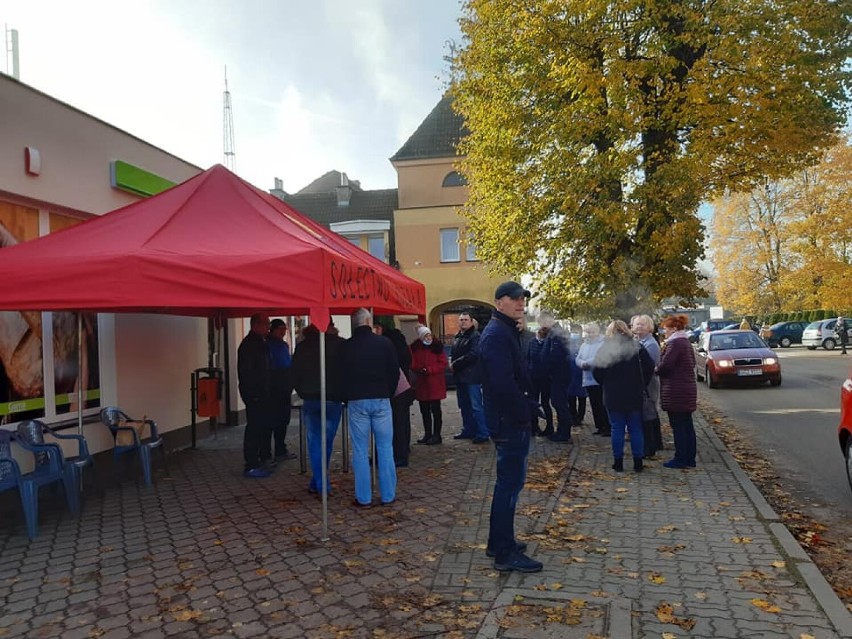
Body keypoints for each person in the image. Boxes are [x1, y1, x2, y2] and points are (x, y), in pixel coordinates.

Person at [480, 281, 542, 573]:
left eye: (523, 299)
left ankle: (499, 542)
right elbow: (502, 383)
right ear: (499, 302)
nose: (521, 303)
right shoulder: (496, 334)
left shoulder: (505, 330)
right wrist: (524, 411)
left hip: (508, 418)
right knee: (509, 486)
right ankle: (504, 553)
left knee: (508, 485)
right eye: (515, 299)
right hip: (508, 421)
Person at [339, 308, 399, 507]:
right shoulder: (384, 343)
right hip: (381, 398)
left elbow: (341, 375)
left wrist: (347, 396)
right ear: (368, 321)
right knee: (385, 448)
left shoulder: (346, 347)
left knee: (359, 450)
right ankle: (388, 494)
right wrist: (387, 392)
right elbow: (394, 372)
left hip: (357, 401)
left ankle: (363, 497)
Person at [290, 322, 346, 495]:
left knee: (315, 442)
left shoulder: (302, 347)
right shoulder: (340, 345)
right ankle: (321, 483)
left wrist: (302, 391)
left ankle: (319, 482)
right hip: (333, 399)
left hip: (311, 399)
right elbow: (346, 371)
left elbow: (294, 373)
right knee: (326, 442)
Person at [593, 320, 655, 472]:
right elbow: (650, 366)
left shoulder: (605, 348)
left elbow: (596, 371)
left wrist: (605, 383)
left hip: (613, 394)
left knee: (617, 427)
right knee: (635, 428)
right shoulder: (636, 346)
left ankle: (618, 461)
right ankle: (638, 462)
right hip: (634, 393)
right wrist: (642, 383)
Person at [656, 314, 698, 468]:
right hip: (686, 389)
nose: (664, 332)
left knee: (679, 426)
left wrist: (656, 369)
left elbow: (666, 366)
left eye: (666, 329)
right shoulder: (685, 342)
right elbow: (692, 363)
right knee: (687, 425)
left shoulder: (675, 344)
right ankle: (690, 458)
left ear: (674, 329)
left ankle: (680, 458)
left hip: (675, 390)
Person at [237, 313, 273, 478]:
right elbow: (248, 373)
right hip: (255, 394)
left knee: (260, 427)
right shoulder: (250, 345)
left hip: (261, 393)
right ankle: (251, 463)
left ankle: (258, 459)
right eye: (266, 323)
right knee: (254, 427)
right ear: (256, 325)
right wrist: (254, 394)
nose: (268, 327)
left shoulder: (259, 343)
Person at [376, 322, 415, 467]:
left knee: (397, 423)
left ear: (379, 328)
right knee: (402, 422)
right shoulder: (396, 341)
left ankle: (400, 455)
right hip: (403, 387)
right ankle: (403, 451)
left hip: (397, 389)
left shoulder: (386, 343)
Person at [449, 312, 490, 444]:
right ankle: (468, 430)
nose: (463, 322)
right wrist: (451, 360)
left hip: (472, 377)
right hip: (460, 377)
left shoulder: (475, 336)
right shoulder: (458, 336)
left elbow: (474, 354)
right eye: (461, 320)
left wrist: (455, 363)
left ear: (471, 322)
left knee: (476, 406)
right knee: (464, 405)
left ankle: (483, 432)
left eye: (466, 320)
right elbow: (453, 352)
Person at [410, 325, 448, 445]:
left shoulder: (437, 347)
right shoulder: (415, 347)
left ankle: (437, 434)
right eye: (426, 335)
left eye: (429, 335)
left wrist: (430, 369)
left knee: (436, 410)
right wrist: (420, 369)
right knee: (424, 410)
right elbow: (412, 362)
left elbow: (443, 363)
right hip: (422, 383)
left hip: (435, 383)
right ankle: (428, 433)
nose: (428, 337)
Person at [264, 318, 296, 463]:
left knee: (283, 420)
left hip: (284, 388)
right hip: (274, 388)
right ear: (274, 329)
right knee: (273, 421)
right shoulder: (268, 345)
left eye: (285, 329)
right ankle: (267, 451)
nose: (283, 331)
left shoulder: (282, 345)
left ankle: (280, 449)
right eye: (281, 329)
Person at [631, 314, 662, 459]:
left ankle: (650, 447)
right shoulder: (640, 341)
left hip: (648, 384)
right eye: (636, 324)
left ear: (650, 327)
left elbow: (649, 366)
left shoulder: (650, 344)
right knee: (649, 415)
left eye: (642, 324)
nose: (638, 327)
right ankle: (655, 443)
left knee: (647, 415)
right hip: (643, 383)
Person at [576, 322, 609, 436]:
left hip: (598, 378)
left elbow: (600, 357)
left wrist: (588, 363)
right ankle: (599, 426)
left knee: (601, 404)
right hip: (587, 378)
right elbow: (578, 357)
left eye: (593, 332)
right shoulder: (584, 344)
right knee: (594, 404)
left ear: (598, 332)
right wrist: (581, 363)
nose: (590, 334)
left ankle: (606, 426)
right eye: (588, 332)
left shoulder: (602, 343)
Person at [526, 313, 554, 437]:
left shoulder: (551, 341)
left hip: (546, 378)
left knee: (546, 403)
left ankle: (549, 426)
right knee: (533, 402)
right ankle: (534, 426)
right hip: (533, 377)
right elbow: (528, 358)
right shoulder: (532, 341)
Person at [546, 322, 573, 442]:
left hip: (559, 376)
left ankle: (564, 433)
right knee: (558, 403)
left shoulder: (557, 336)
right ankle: (561, 431)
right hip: (557, 375)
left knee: (560, 404)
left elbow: (556, 357)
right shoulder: (554, 335)